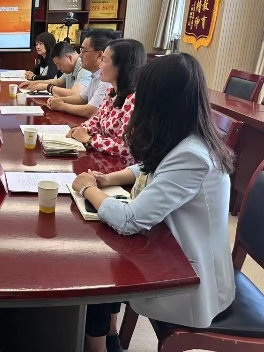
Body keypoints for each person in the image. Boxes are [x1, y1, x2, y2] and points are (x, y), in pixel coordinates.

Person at [72, 53, 235, 352]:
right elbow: (152, 167)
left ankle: (97, 343)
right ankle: (108, 334)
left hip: (187, 277)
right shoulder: (185, 137)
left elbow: (130, 220)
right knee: (103, 260)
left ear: (159, 103)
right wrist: (109, 179)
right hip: (169, 249)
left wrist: (88, 189)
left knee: (96, 271)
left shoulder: (192, 156)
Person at [67, 39, 146, 159]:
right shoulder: (111, 93)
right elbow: (97, 120)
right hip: (103, 158)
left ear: (120, 66)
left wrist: (89, 139)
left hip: (120, 166)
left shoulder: (134, 100)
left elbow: (126, 148)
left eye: (103, 60)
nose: (100, 65)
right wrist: (82, 129)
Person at [46, 29, 118, 118]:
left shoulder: (106, 79)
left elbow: (91, 111)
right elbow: (82, 98)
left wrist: (62, 106)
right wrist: (60, 100)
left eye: (84, 51)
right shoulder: (95, 74)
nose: (80, 55)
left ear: (99, 55)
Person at [20, 41, 91, 97]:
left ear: (69, 57)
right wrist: (33, 83)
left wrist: (48, 87)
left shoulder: (85, 67)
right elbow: (58, 82)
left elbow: (75, 94)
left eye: (59, 64)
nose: (58, 68)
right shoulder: (71, 67)